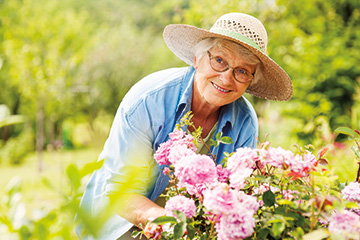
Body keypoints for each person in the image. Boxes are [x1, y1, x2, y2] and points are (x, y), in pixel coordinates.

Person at [75, 12, 292, 239]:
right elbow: (121, 194)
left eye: (242, 71)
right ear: (197, 59)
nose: (227, 79)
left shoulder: (245, 121)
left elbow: (235, 196)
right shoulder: (149, 101)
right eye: (219, 61)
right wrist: (175, 228)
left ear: (250, 81)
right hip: (117, 224)